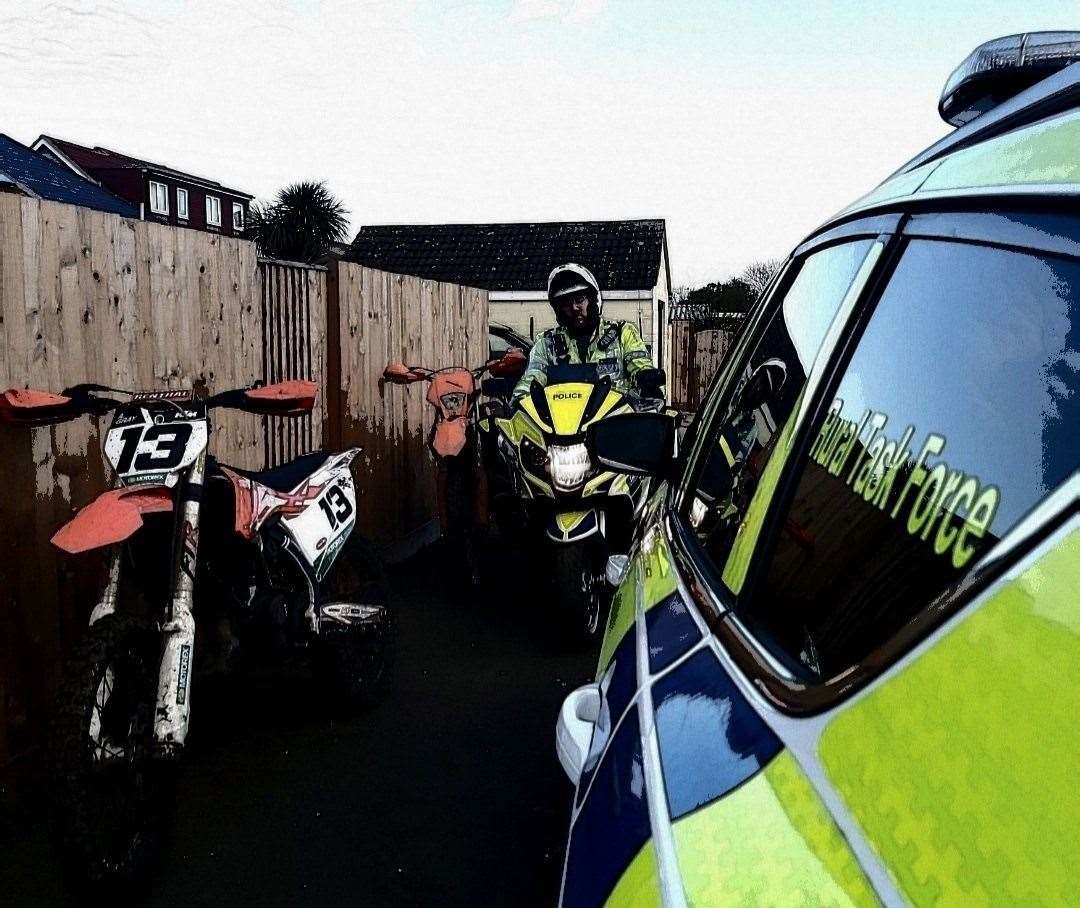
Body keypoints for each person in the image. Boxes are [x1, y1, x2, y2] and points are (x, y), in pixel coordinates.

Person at [512, 263, 662, 400]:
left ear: (592, 300)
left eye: (580, 299)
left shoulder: (623, 334)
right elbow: (532, 379)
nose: (574, 308)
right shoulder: (547, 343)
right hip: (561, 425)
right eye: (566, 303)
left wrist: (645, 376)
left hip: (613, 423)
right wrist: (519, 400)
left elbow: (640, 365)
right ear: (558, 310)